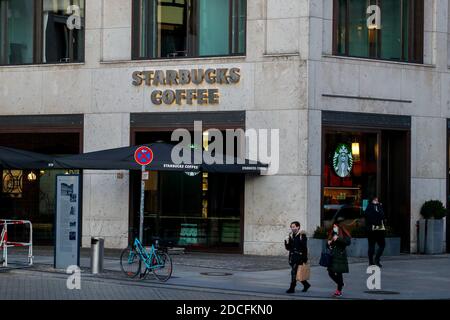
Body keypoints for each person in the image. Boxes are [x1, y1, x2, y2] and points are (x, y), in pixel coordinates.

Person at [327, 217, 351, 297]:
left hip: (340, 255)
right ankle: (341, 283)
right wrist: (329, 244)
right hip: (333, 256)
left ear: (339, 226)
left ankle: (339, 290)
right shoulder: (333, 233)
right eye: (333, 226)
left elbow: (347, 242)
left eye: (335, 226)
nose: (334, 228)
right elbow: (328, 243)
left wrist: (338, 238)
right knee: (330, 272)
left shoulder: (344, 233)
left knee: (339, 273)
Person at [284, 221, 311, 294]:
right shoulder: (290, 235)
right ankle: (306, 285)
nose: (292, 228)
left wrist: (305, 258)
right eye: (291, 227)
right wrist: (286, 241)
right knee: (297, 273)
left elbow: (304, 248)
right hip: (292, 257)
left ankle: (292, 288)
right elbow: (288, 248)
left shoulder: (302, 235)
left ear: (298, 227)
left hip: (299, 257)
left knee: (293, 272)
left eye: (293, 227)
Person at [365, 196, 386, 267]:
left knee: (371, 245)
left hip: (371, 229)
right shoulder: (379, 206)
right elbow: (383, 216)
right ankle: (376, 259)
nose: (377, 200)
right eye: (376, 199)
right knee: (382, 245)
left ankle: (371, 261)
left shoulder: (368, 207)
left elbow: (366, 217)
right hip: (379, 229)